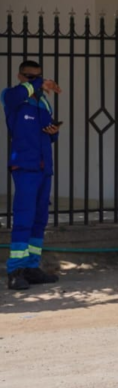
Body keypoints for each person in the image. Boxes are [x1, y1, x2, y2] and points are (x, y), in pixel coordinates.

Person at [3, 60, 62, 291]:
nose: (33, 80)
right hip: (25, 167)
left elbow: (47, 133)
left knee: (39, 220)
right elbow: (13, 98)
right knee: (24, 218)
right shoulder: (12, 96)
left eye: (37, 76)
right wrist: (37, 83)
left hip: (44, 167)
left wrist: (54, 132)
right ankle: (15, 270)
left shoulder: (43, 103)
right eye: (29, 76)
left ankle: (31, 267)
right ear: (20, 76)